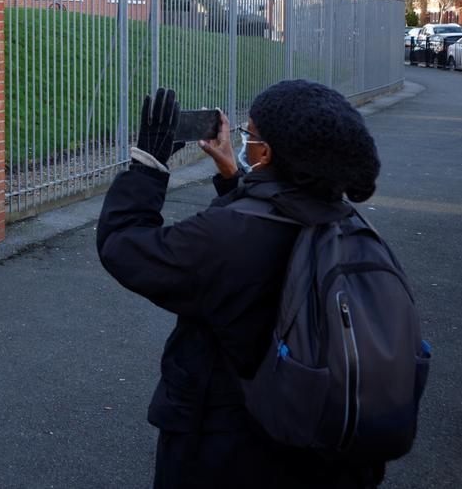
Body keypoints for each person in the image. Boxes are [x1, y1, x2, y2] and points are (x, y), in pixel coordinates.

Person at [96, 81, 387, 489]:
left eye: (250, 135)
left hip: (228, 446)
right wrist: (234, 175)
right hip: (322, 445)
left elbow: (122, 245)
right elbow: (273, 216)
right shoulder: (349, 224)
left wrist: (148, 165)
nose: (244, 142)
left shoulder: (226, 238)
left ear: (266, 153)